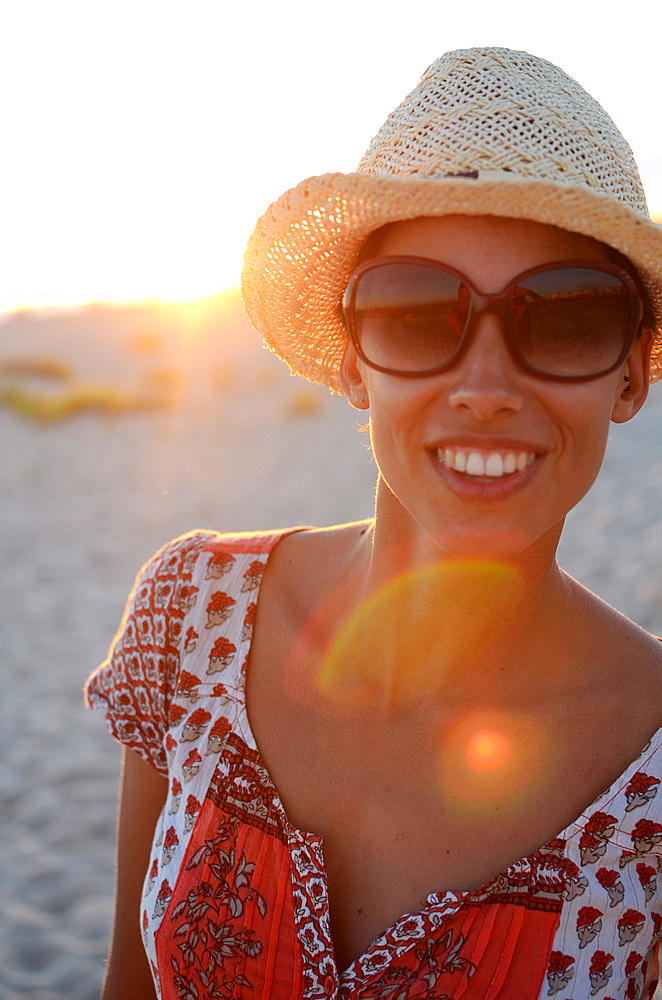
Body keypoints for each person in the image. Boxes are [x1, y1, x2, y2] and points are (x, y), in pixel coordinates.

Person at [86, 47, 662, 1000]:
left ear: (632, 375)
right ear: (354, 361)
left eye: (565, 319)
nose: (484, 389)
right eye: (415, 313)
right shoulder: (193, 615)